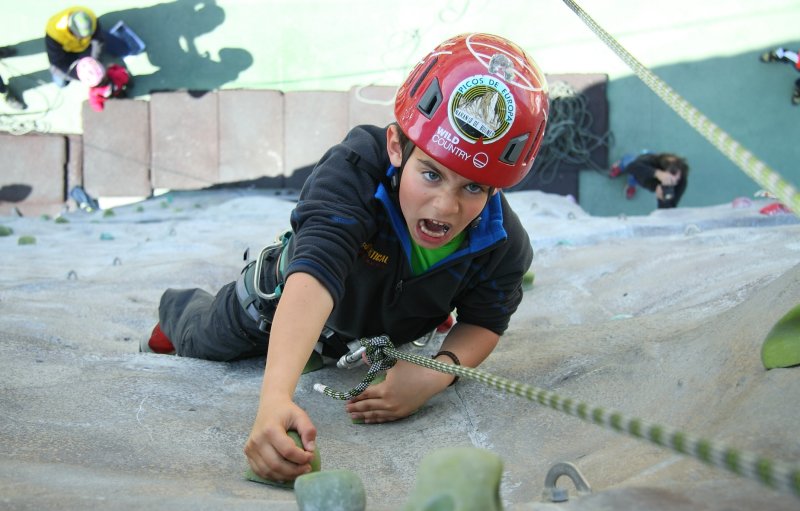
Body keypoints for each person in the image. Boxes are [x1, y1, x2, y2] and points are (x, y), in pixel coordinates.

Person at [140, 33, 549, 483]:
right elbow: (316, 272)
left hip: (376, 329)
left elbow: (487, 321)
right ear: (396, 147)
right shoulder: (356, 169)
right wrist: (275, 398)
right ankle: (176, 315)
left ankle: (367, 328)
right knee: (205, 339)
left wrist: (437, 373)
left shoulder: (504, 243)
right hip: (288, 298)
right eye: (430, 174)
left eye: (473, 187)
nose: (445, 207)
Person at [45, 6, 104, 87]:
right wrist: (82, 76)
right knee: (61, 83)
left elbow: (98, 41)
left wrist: (94, 62)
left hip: (84, 47)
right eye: (80, 36)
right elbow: (56, 64)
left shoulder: (91, 18)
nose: (84, 38)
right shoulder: (54, 33)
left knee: (121, 49)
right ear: (70, 29)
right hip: (65, 53)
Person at [610, 152, 688, 208]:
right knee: (629, 164)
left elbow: (669, 209)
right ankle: (621, 165)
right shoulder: (655, 161)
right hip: (641, 167)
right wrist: (657, 173)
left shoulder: (682, 182)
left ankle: (632, 185)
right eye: (673, 172)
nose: (672, 180)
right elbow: (632, 167)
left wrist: (661, 200)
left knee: (635, 178)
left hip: (645, 180)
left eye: (677, 180)